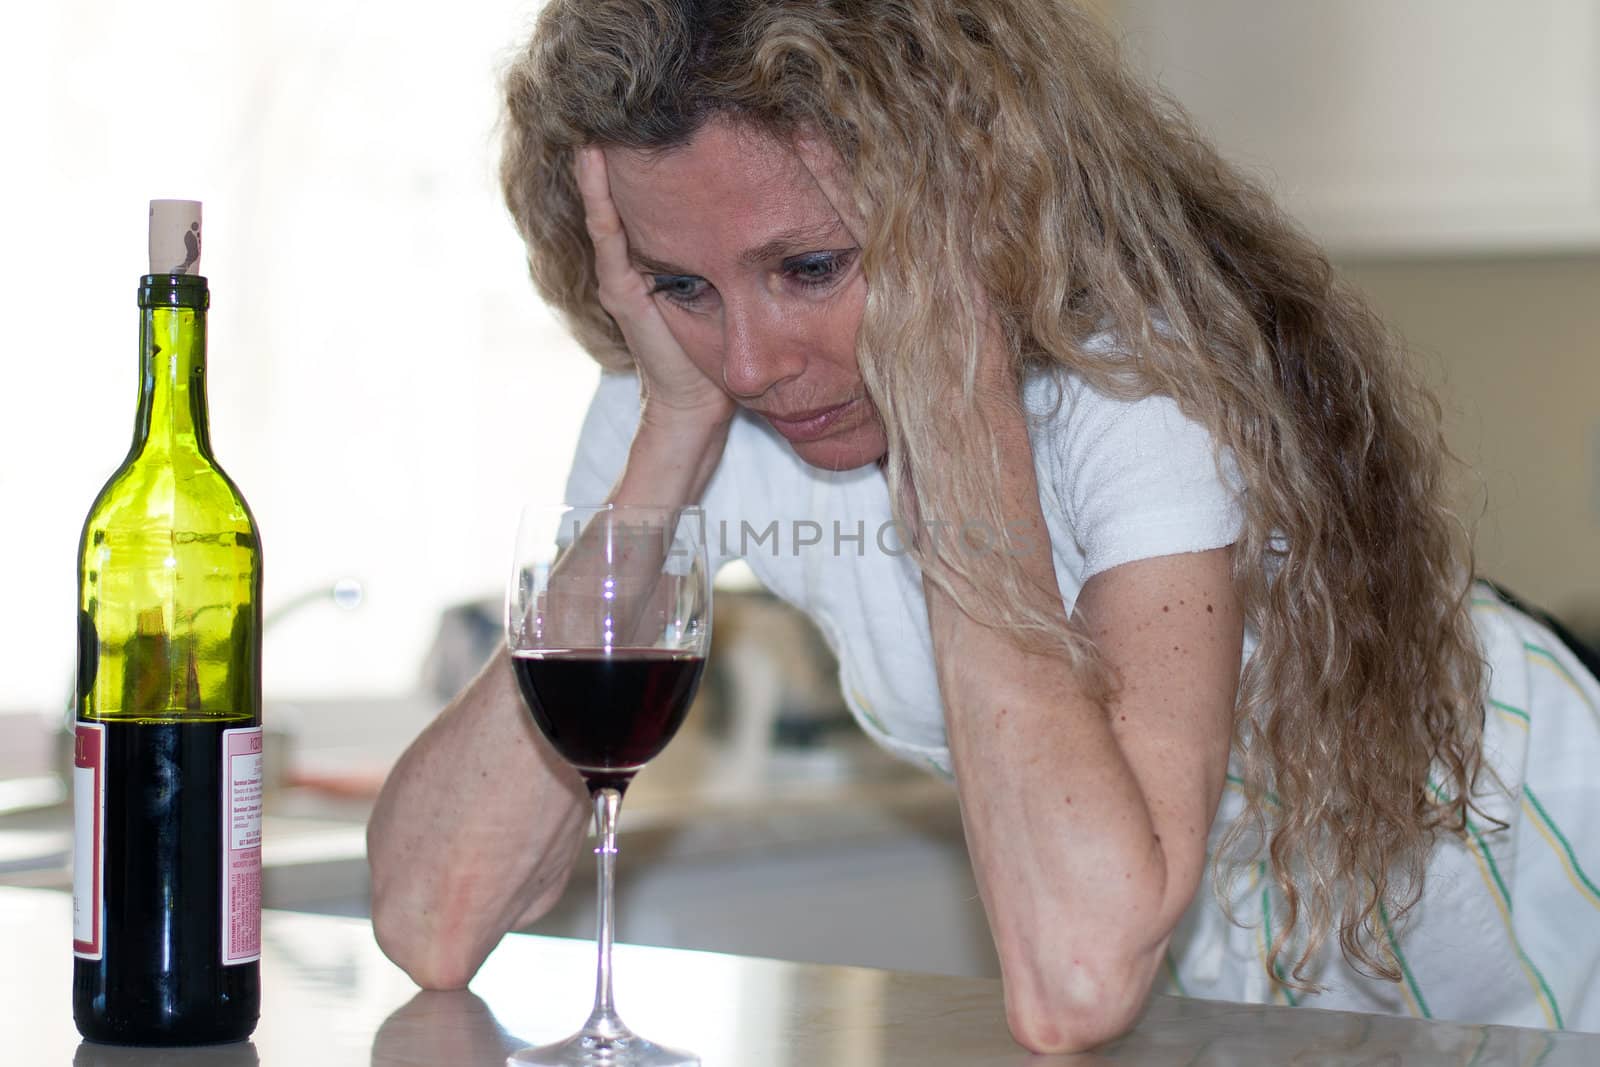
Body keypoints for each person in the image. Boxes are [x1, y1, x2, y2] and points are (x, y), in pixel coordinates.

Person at [366, 0, 1600, 1052]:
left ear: (965, 203)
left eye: (809, 267)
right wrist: (667, 448)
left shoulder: (1127, 381)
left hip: (1491, 855)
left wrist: (958, 419)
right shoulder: (686, 382)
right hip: (1214, 940)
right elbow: (432, 914)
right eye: (682, 284)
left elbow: (1073, 979)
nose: (749, 358)